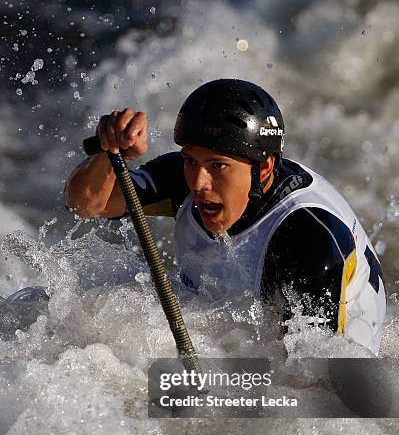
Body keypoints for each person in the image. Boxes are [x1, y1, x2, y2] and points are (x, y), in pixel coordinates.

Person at [64, 79, 386, 355]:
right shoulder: (185, 178)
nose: (199, 183)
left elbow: (311, 387)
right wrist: (110, 153)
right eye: (190, 160)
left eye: (218, 166)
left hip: (346, 360)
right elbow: (86, 204)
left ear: (266, 169)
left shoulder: (308, 240)